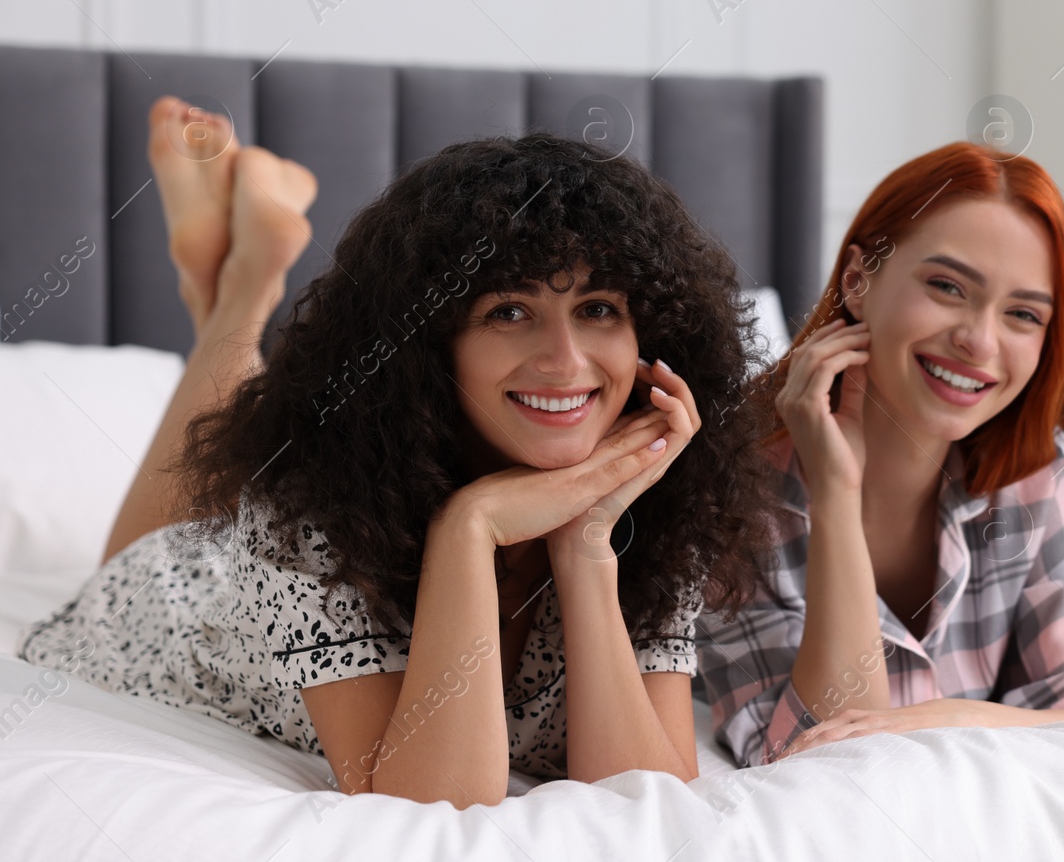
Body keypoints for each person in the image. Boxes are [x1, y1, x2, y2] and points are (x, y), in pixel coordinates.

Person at [18, 98, 777, 803]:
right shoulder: (307, 507)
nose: (567, 361)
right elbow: (429, 803)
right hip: (179, 605)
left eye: (599, 309)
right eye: (510, 309)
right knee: (151, 542)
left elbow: (646, 799)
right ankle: (242, 291)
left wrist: (585, 542)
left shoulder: (661, 511)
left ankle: (234, 279)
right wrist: (469, 526)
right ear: (430, 346)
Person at [697, 141, 1064, 769]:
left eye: (1023, 314)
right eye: (947, 286)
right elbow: (815, 760)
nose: (978, 340)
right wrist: (835, 495)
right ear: (859, 281)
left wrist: (945, 719)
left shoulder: (1030, 472)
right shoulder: (728, 489)